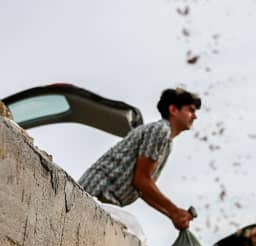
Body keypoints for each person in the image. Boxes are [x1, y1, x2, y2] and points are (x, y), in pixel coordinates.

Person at [78, 87, 199, 231]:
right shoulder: (161, 130)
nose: (195, 116)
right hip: (95, 195)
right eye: (190, 110)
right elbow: (141, 180)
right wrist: (174, 211)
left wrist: (172, 214)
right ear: (173, 109)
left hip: (103, 200)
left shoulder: (166, 141)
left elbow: (143, 189)